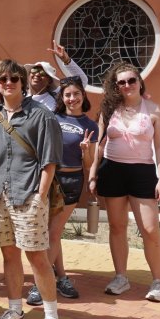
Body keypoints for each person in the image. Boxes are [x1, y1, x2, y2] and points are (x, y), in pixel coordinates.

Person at [0, 59, 63, 319]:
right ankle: (15, 310)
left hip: (27, 195)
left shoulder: (42, 116)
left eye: (14, 78)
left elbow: (49, 161)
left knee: (37, 256)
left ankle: (51, 316)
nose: (9, 83)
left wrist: (41, 196)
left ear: (23, 82)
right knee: (9, 255)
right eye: (3, 79)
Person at [88, 62, 160, 301]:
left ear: (139, 82)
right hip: (112, 170)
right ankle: (121, 277)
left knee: (150, 229)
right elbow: (99, 145)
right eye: (121, 82)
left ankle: (157, 282)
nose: (127, 85)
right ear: (116, 86)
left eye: (131, 80)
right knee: (117, 226)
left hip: (143, 172)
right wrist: (93, 173)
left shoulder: (154, 111)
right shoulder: (109, 109)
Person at [26, 76, 98, 305]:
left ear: (83, 96)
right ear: (62, 97)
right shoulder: (52, 118)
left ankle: (42, 284)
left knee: (53, 232)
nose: (72, 98)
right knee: (49, 233)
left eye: (76, 94)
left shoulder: (90, 126)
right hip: (50, 178)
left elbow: (88, 164)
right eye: (68, 94)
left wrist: (86, 150)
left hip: (72, 180)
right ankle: (60, 277)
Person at [27, 39, 89, 111]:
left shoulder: (58, 96)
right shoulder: (20, 95)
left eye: (42, 73)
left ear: (50, 81)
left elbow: (82, 80)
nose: (37, 74)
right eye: (34, 70)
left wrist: (66, 60)